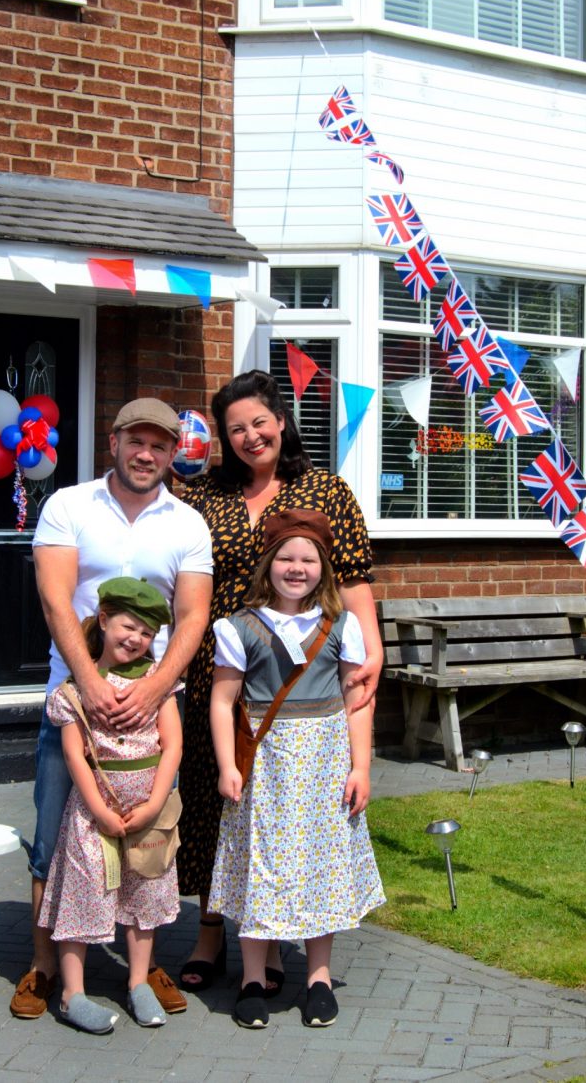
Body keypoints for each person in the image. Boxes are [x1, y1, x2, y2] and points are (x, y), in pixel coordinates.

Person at [172, 371, 381, 994]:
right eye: (235, 428)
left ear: (281, 421)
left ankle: (283, 932)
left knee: (295, 810)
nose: (249, 435)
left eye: (258, 422)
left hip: (307, 672)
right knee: (222, 804)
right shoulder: (202, 494)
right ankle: (212, 932)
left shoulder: (326, 490)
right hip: (224, 668)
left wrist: (372, 653)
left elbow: (355, 578)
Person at [13, 397, 212, 1021]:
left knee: (148, 843)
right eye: (136, 441)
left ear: (173, 452)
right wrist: (90, 682)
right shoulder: (67, 506)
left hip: (152, 716)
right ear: (115, 442)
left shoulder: (187, 523)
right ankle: (46, 966)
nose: (146, 454)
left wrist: (154, 691)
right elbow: (54, 598)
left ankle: (140, 968)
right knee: (56, 840)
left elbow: (193, 615)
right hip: (75, 704)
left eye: (160, 444)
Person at [208, 509, 384, 1029]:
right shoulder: (239, 626)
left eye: (308, 559)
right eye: (286, 557)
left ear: (324, 568)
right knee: (259, 865)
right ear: (268, 564)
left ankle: (319, 978)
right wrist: (226, 765)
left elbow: (357, 699)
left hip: (324, 764)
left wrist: (362, 767)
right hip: (265, 765)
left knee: (319, 866)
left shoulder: (341, 626)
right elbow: (223, 701)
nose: (296, 567)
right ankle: (252, 979)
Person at [36, 577, 184, 1034]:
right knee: (85, 895)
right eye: (128, 625)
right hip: (90, 817)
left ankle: (139, 981)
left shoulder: (159, 687)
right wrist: (98, 810)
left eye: (146, 632)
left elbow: (173, 746)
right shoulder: (77, 689)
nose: (135, 638)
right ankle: (72, 992)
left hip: (148, 813)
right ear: (103, 620)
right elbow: (74, 753)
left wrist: (156, 802)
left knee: (145, 891)